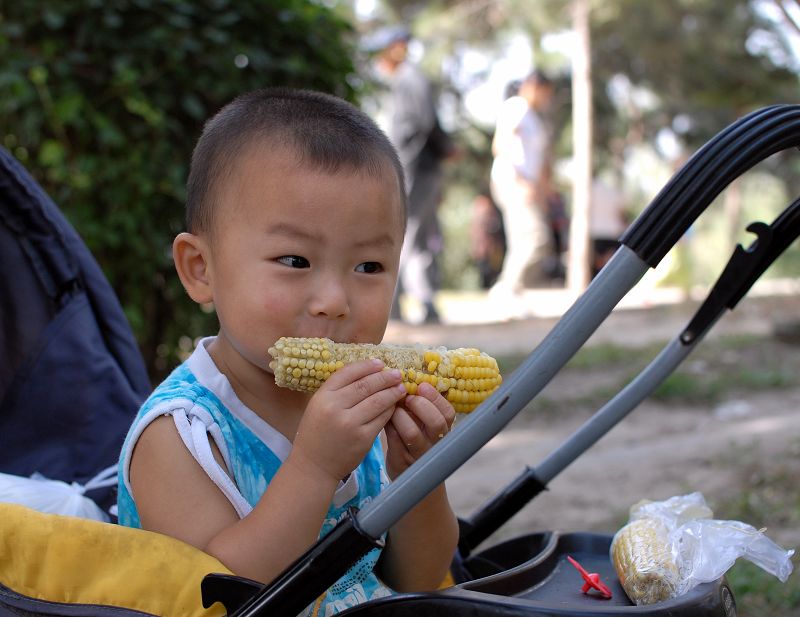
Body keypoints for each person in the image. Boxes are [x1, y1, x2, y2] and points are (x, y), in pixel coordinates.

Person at [116, 88, 459, 615]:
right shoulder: (181, 434)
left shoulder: (361, 407)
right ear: (201, 270)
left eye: (369, 267)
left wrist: (420, 472)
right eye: (295, 260)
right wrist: (316, 468)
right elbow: (223, 597)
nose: (334, 302)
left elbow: (418, 574)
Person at [367, 25, 454, 324]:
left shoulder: (409, 78)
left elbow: (423, 125)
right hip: (416, 168)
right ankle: (422, 302)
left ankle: (397, 305)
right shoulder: (400, 82)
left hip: (412, 168)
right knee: (418, 235)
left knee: (406, 234)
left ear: (396, 47)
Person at [488, 71, 556, 307]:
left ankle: (511, 293)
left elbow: (541, 162)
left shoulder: (535, 120)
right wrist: (522, 181)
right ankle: (505, 289)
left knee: (525, 240)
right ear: (535, 86)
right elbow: (501, 144)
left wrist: (543, 191)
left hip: (529, 186)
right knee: (535, 237)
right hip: (514, 182)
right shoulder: (517, 107)